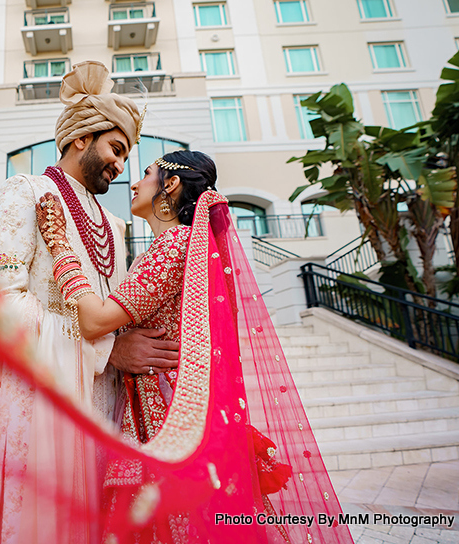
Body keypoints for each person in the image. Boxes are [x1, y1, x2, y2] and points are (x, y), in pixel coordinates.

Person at [36, 151, 353, 543]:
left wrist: (59, 246)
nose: (134, 183)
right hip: (165, 406)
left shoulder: (174, 245)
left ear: (169, 185)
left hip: (167, 416)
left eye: (147, 173)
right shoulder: (183, 246)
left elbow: (95, 320)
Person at [0, 61, 177, 544]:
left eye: (128, 155)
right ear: (79, 140)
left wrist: (125, 343)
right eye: (115, 148)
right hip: (44, 396)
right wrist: (109, 350)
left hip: (106, 402)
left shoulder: (115, 225)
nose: (121, 165)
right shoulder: (26, 192)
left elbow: (111, 309)